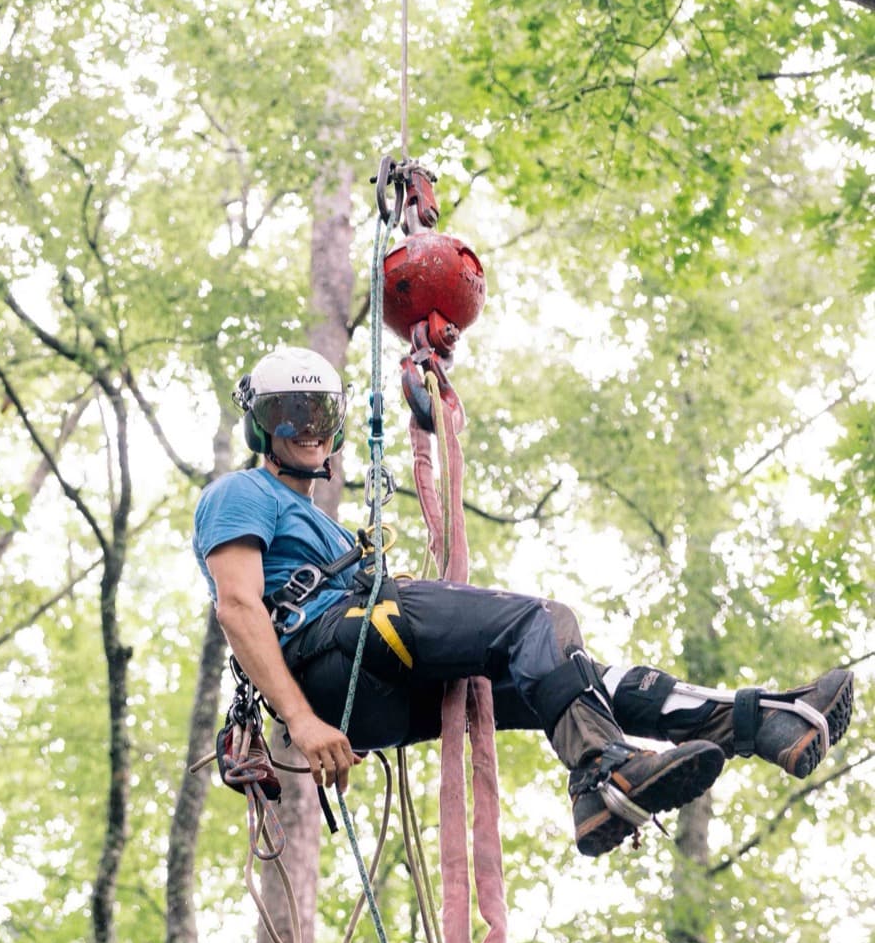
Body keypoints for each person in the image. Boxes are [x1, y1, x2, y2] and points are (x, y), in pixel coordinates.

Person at [193, 346, 854, 856]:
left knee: (565, 675)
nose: (306, 428)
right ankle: (605, 772)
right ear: (261, 423)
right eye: (289, 414)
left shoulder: (330, 529)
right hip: (338, 651)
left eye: (320, 415)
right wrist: (303, 720)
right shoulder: (242, 492)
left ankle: (762, 719)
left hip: (367, 684)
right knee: (537, 621)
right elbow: (239, 608)